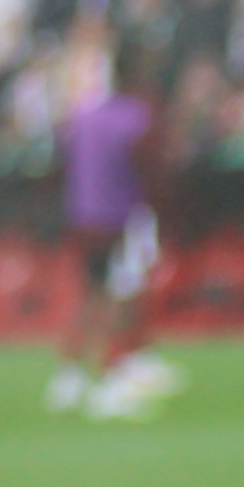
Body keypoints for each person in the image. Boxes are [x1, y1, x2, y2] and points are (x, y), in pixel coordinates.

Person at [52, 59, 178, 417]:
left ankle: (69, 377)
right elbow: (148, 166)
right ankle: (112, 377)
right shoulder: (134, 118)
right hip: (118, 216)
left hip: (83, 216)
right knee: (122, 295)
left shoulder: (84, 114)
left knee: (92, 295)